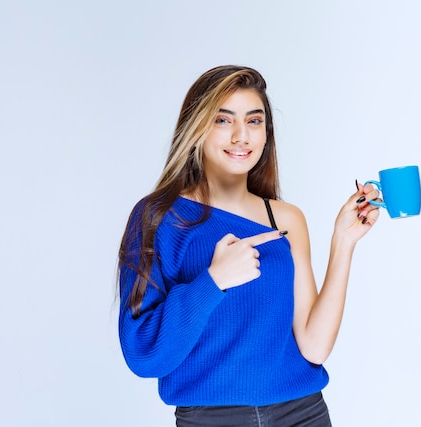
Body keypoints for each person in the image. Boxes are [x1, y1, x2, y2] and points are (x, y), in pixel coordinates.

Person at [117, 65, 380, 426]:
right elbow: (142, 352)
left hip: (303, 413)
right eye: (223, 121)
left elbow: (314, 347)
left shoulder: (285, 219)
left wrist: (344, 241)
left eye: (254, 121)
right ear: (196, 130)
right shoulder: (157, 218)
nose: (242, 136)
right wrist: (213, 280)